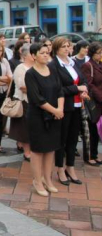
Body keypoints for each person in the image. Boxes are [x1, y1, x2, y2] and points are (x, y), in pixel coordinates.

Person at [25, 42, 64, 197]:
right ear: (34, 56)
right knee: (38, 150)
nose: (46, 55)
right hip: (38, 117)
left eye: (47, 52)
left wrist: (59, 109)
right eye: (42, 53)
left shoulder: (53, 70)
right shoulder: (30, 74)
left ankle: (48, 180)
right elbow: (37, 99)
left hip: (55, 115)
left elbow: (60, 90)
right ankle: (37, 181)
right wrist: (55, 110)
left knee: (51, 149)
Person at [49, 37, 88, 186]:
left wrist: (84, 90)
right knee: (62, 140)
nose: (67, 49)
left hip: (78, 106)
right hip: (64, 107)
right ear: (57, 49)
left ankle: (70, 167)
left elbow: (83, 80)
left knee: (73, 139)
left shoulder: (72, 63)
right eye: (63, 46)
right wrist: (76, 89)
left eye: (68, 46)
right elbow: (56, 89)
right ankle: (59, 168)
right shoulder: (54, 66)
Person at [8, 44, 33, 161]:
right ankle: (27, 152)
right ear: (25, 55)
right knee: (25, 128)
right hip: (24, 101)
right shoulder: (20, 68)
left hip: (35, 101)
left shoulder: (36, 67)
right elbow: (22, 86)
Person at [81, 42, 102, 166]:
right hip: (93, 102)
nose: (100, 55)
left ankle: (94, 154)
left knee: (97, 130)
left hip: (100, 102)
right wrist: (100, 96)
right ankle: (89, 155)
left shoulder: (99, 64)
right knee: (91, 130)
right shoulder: (87, 66)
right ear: (92, 53)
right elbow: (89, 84)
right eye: (98, 53)